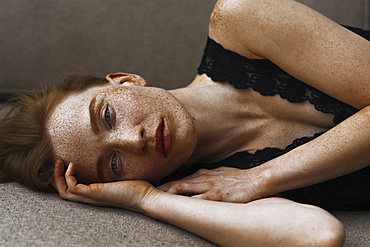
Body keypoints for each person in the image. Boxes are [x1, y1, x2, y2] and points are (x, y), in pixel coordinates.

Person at [3, 0, 370, 245]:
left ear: (126, 80)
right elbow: (318, 234)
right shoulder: (206, 190)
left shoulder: (240, 21)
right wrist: (145, 199)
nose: (135, 140)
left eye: (108, 116)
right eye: (114, 164)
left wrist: (261, 178)